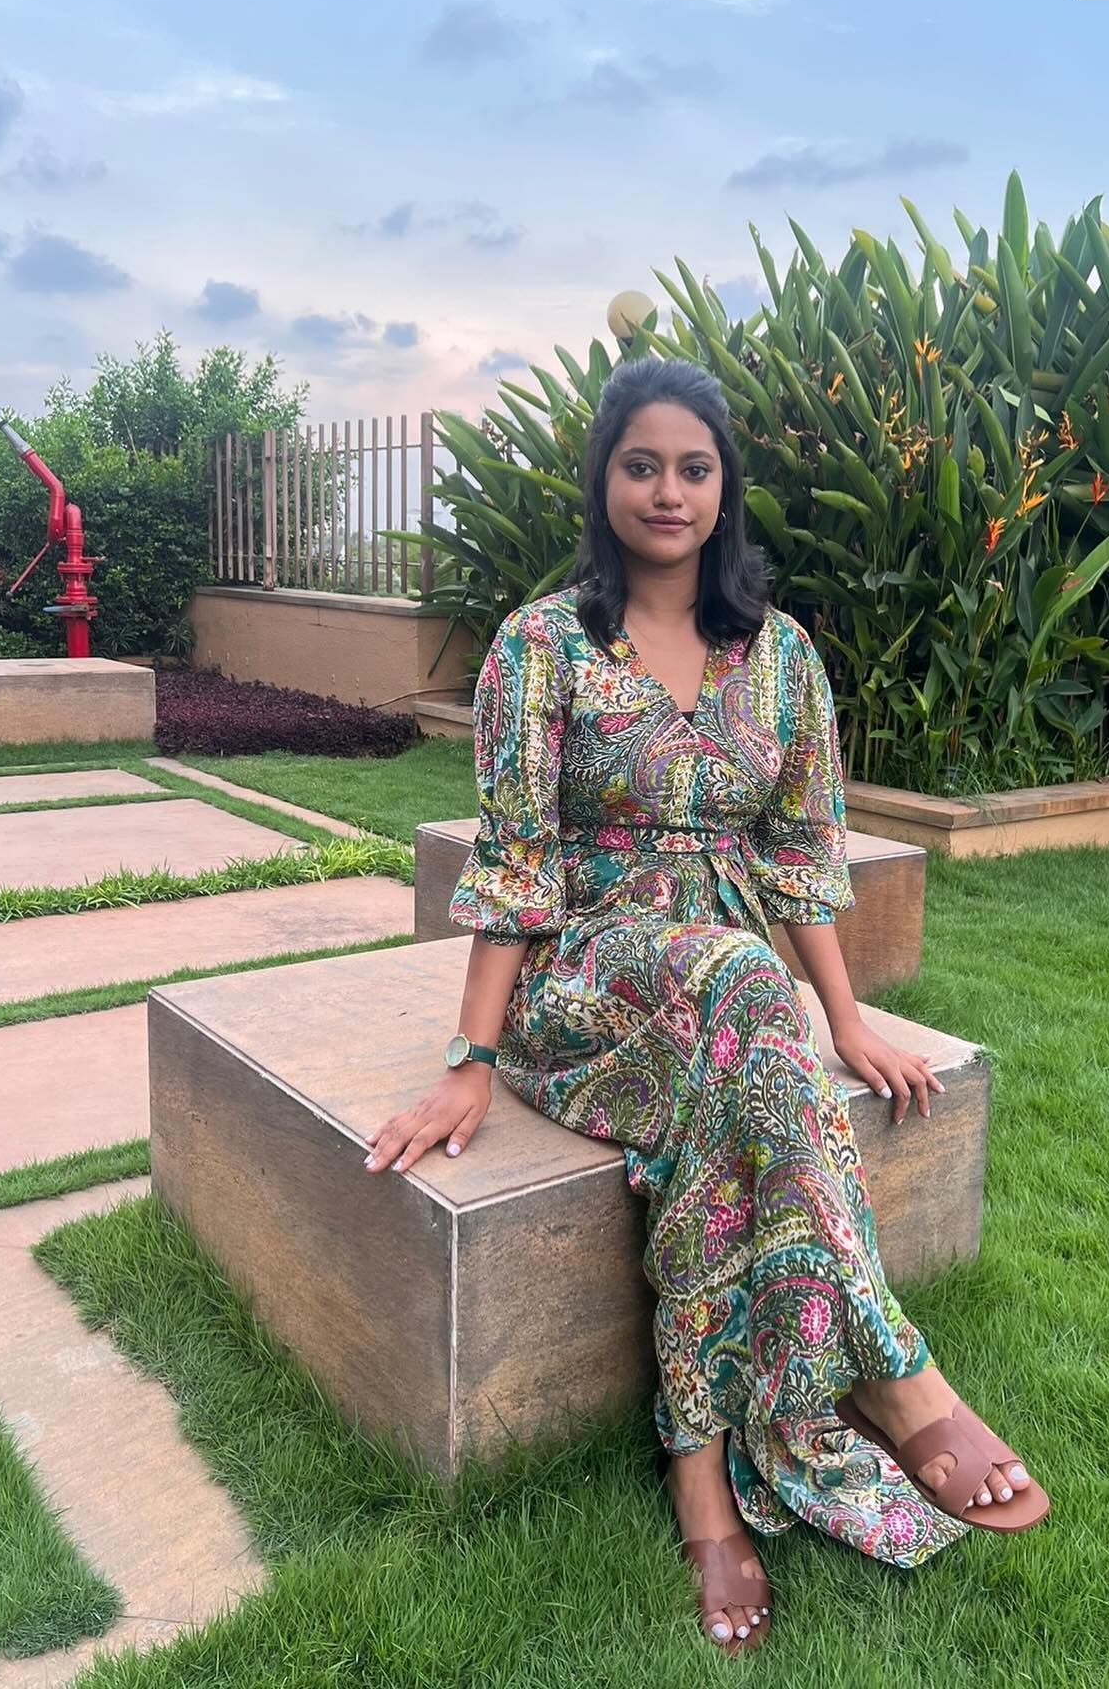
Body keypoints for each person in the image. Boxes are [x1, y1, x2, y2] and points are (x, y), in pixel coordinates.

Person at [363, 356, 1048, 1656]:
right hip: (586, 977)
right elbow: (515, 863)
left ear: (724, 489)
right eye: (642, 466)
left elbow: (799, 855)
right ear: (604, 480)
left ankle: (698, 1470)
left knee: (736, 1077)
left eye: (693, 468)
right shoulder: (541, 646)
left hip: (729, 984)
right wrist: (470, 1057)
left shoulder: (780, 656)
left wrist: (845, 1018)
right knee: (745, 991)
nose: (667, 491)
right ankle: (892, 1375)